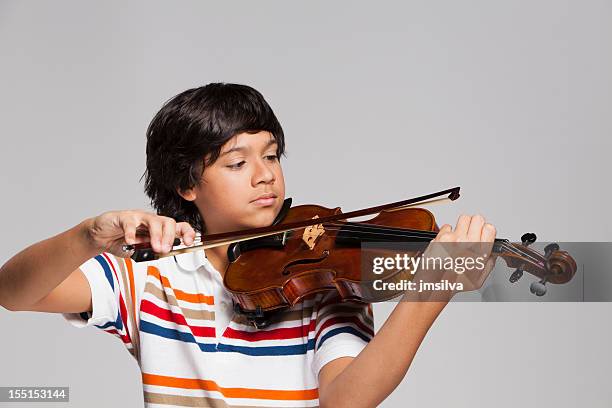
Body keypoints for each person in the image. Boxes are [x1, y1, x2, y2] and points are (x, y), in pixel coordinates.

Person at [0, 83, 496, 407]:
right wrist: (88, 235)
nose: (266, 176)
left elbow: (346, 401)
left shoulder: (319, 281)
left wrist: (431, 288)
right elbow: (14, 292)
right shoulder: (150, 274)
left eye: (273, 156)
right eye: (237, 163)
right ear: (186, 184)